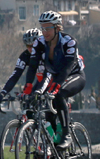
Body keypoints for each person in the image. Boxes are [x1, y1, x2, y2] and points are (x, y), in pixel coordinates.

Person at [24, 11, 85, 149]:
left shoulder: (69, 42)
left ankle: (66, 135)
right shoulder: (39, 43)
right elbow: (33, 66)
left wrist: (57, 85)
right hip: (55, 77)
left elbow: (68, 67)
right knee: (48, 111)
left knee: (59, 94)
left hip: (74, 75)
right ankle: (54, 150)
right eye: (42, 28)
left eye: (48, 28)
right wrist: (28, 87)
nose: (44, 32)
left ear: (57, 28)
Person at [0, 28, 44, 107]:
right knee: (28, 104)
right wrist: (2, 93)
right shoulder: (25, 56)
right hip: (40, 82)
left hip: (53, 81)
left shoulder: (47, 53)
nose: (31, 49)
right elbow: (15, 75)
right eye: (28, 46)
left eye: (33, 45)